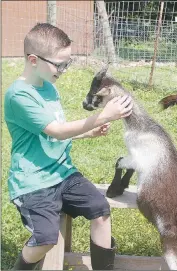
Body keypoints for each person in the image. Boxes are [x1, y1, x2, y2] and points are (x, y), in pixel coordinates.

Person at [4, 23, 133, 270]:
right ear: (33, 60)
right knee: (45, 239)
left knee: (101, 210)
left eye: (67, 62)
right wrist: (104, 116)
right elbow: (57, 130)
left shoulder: (49, 88)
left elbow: (55, 136)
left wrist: (89, 132)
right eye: (59, 64)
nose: (64, 70)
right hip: (34, 183)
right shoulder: (19, 96)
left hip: (63, 174)